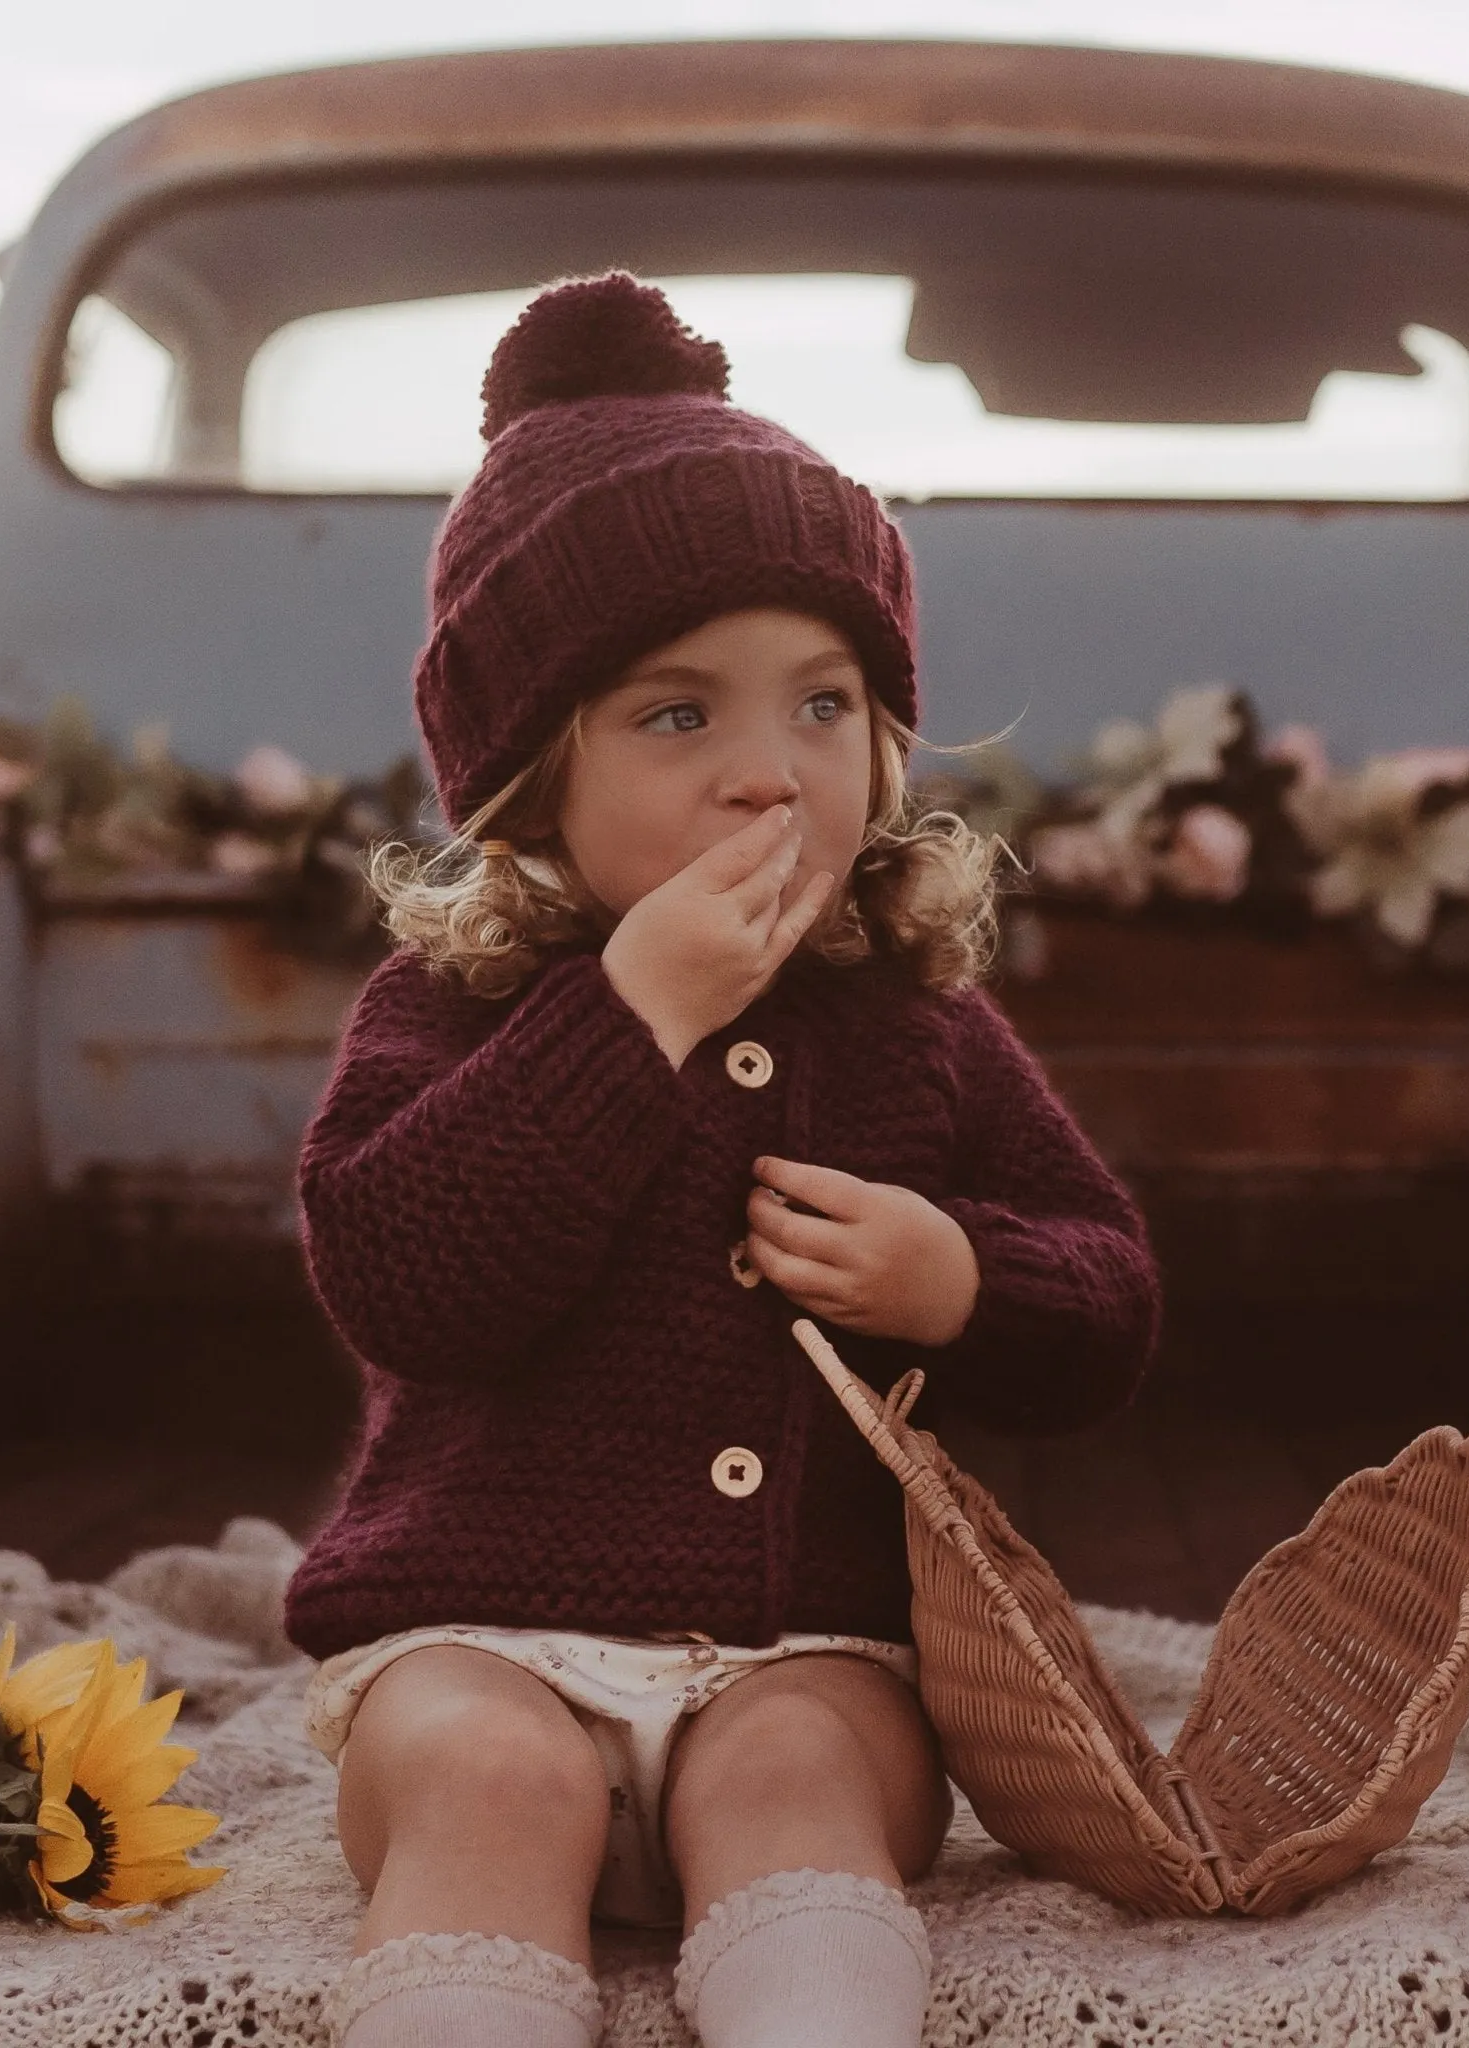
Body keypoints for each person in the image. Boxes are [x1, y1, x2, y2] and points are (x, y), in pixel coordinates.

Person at [285, 272, 1161, 2048]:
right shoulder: (458, 1003)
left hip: (803, 1651)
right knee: (487, 1781)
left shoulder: (909, 1015)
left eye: (823, 706)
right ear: (536, 777)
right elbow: (406, 1280)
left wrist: (962, 1279)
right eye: (679, 717)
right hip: (475, 1631)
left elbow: (1111, 1295)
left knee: (801, 1779)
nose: (771, 778)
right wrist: (628, 1016)